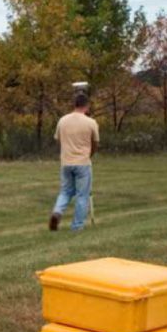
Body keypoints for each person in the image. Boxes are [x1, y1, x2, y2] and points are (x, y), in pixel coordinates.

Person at [49, 92, 99, 232]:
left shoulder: (62, 120)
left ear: (74, 104)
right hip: (83, 162)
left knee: (65, 191)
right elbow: (95, 143)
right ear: (86, 106)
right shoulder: (91, 122)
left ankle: (57, 212)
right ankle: (77, 226)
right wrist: (89, 154)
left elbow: (58, 140)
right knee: (82, 195)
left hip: (66, 162)